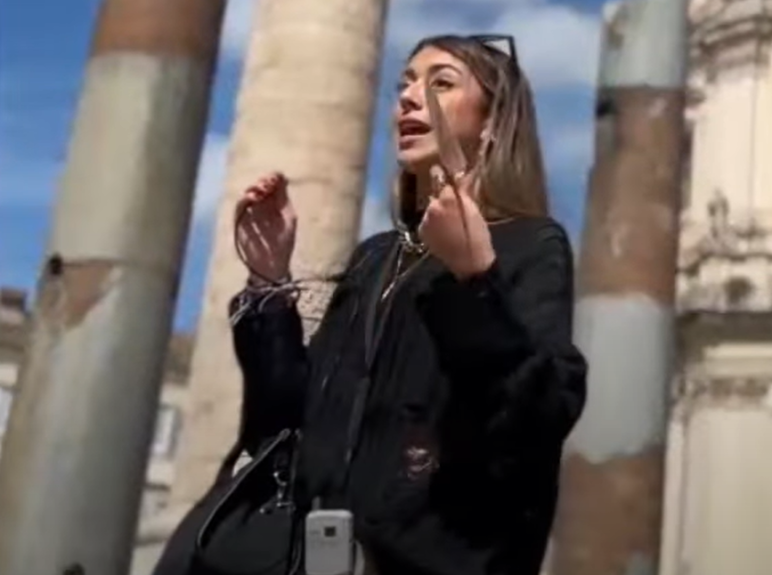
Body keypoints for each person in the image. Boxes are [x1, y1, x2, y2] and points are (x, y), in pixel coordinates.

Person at [160, 34, 587, 575]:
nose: (409, 96)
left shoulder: (531, 244)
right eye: (404, 83)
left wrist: (474, 281)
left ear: (493, 122)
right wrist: (270, 282)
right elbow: (288, 415)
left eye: (441, 83)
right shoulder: (377, 257)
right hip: (310, 557)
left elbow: (539, 414)